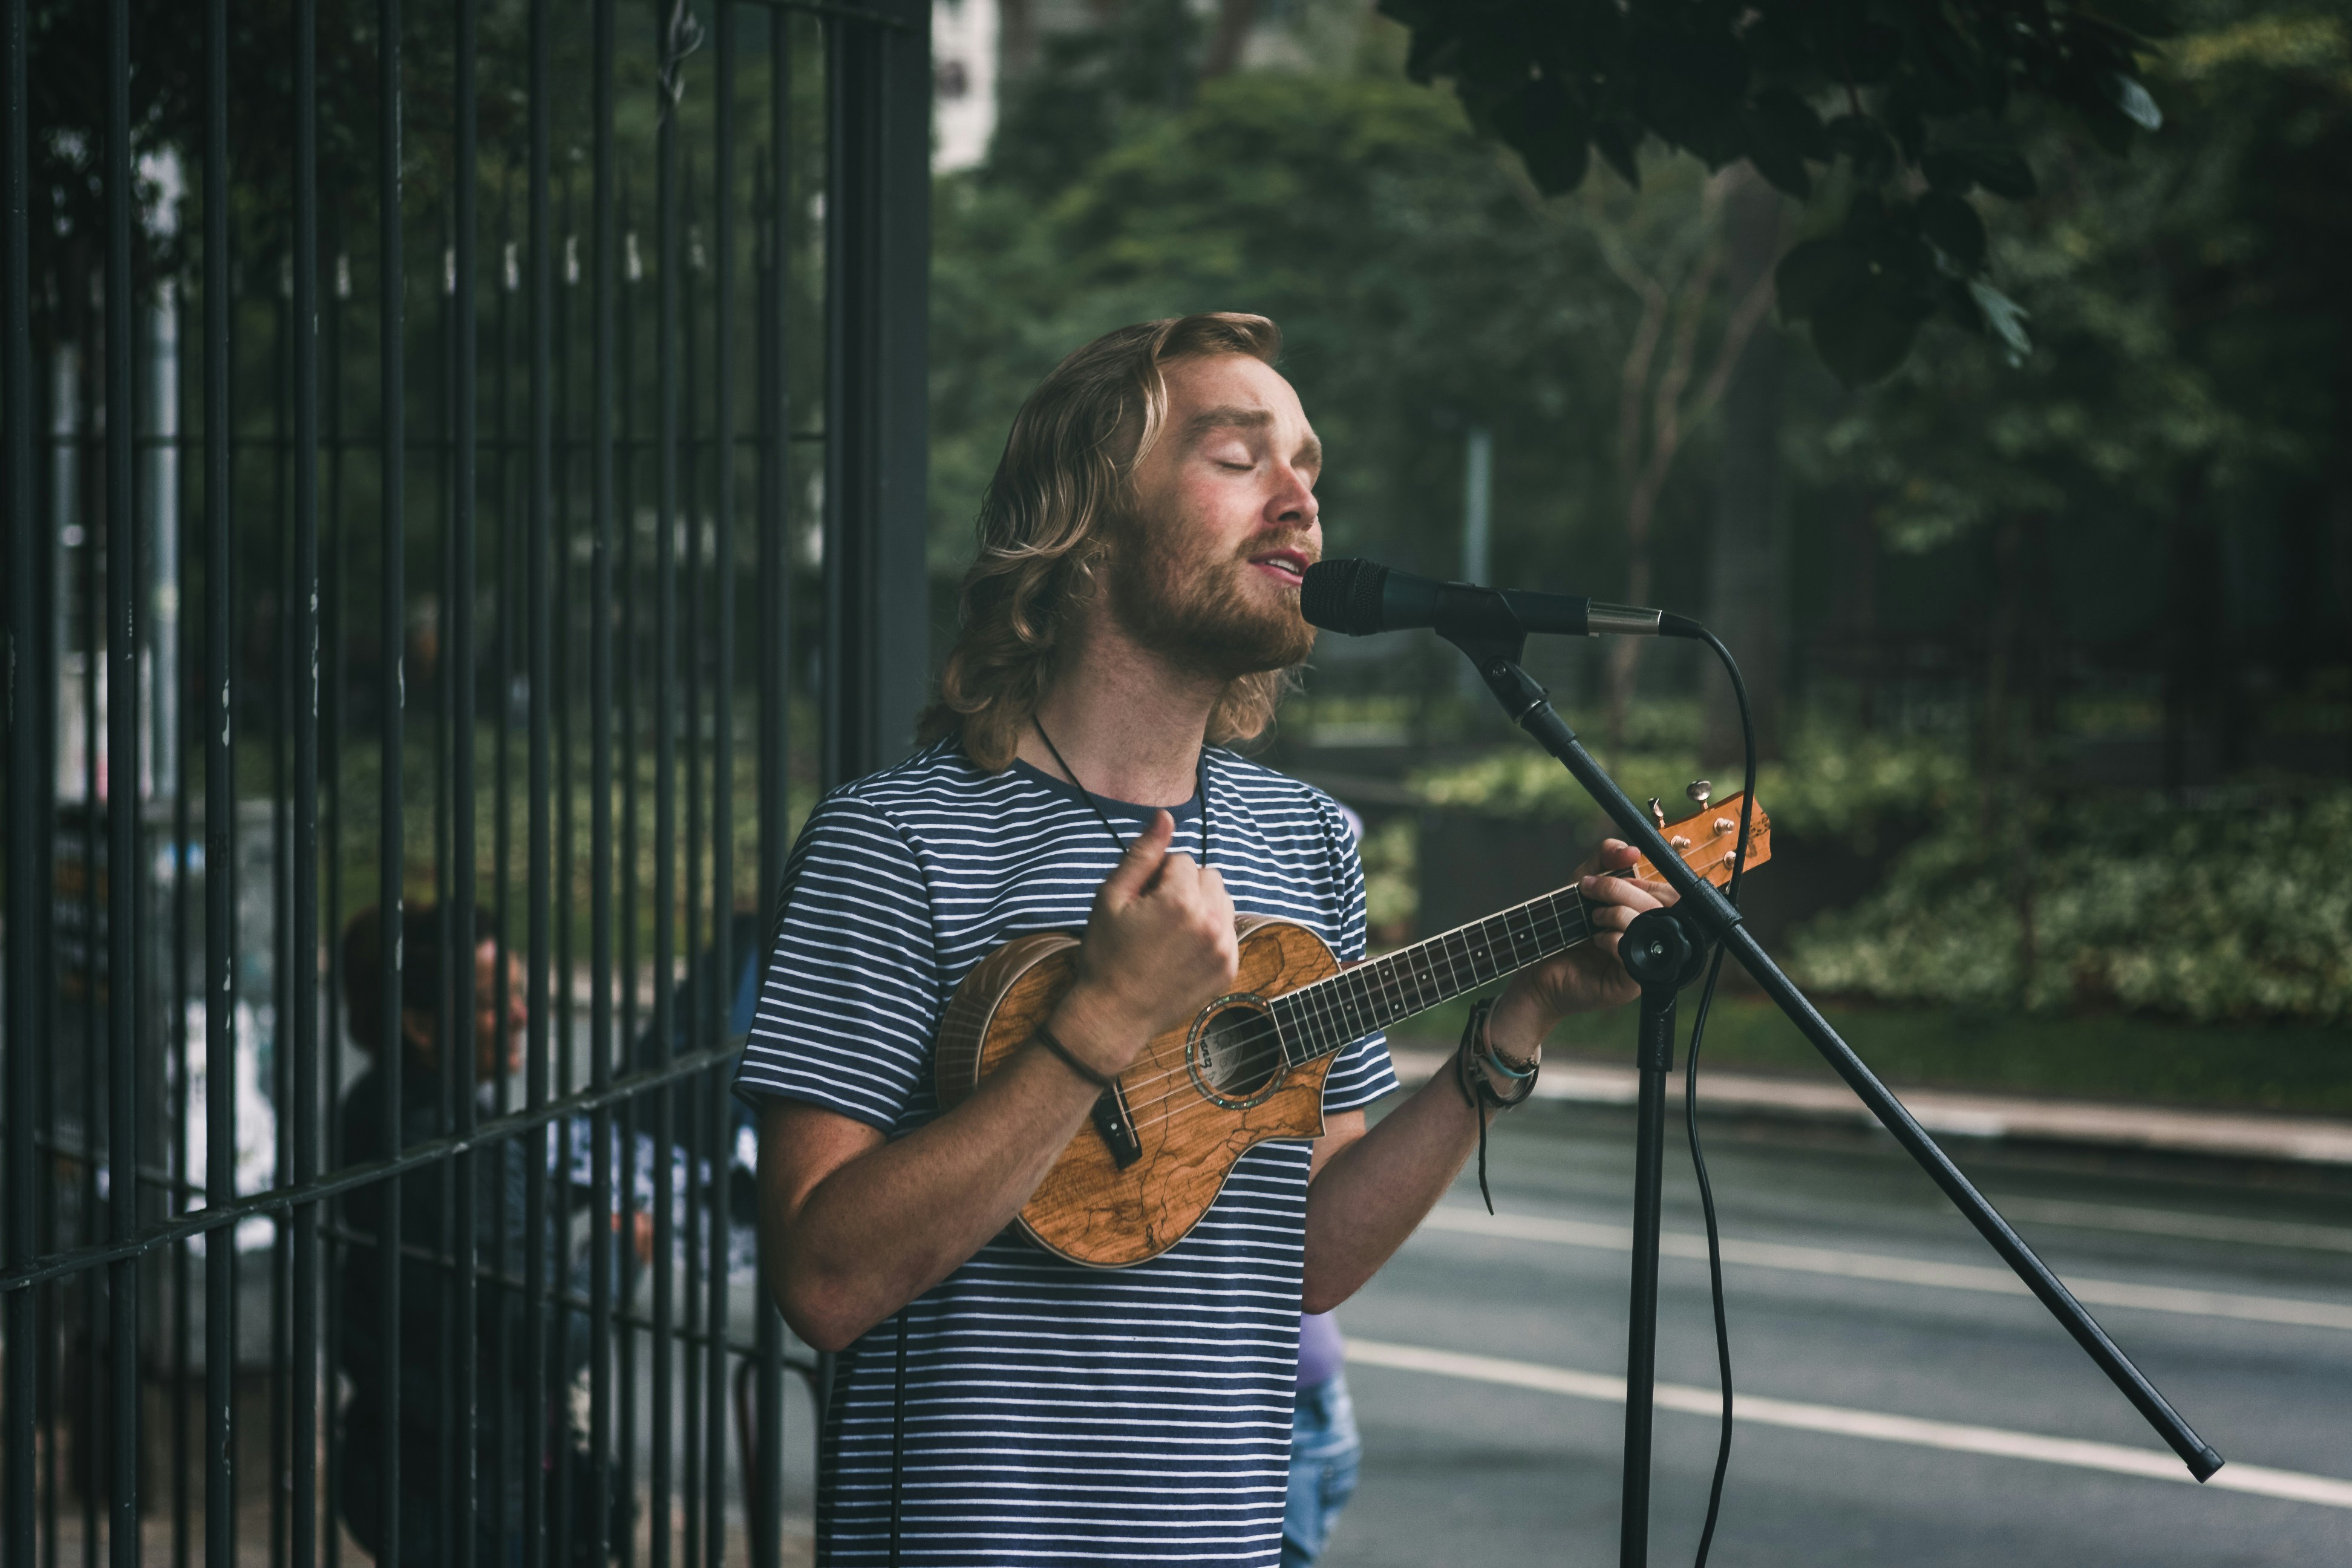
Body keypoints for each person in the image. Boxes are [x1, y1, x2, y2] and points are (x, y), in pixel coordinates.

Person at [740, 312, 1671, 1564]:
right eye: (1239, 461)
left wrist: (1520, 1022)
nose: (1299, 501)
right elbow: (824, 1283)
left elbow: (1312, 1259)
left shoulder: (1308, 843)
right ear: (1085, 524)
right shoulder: (892, 842)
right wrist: (1098, 1026)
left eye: (1309, 469)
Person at [335, 904, 641, 1566]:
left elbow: (466, 1234)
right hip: (473, 1494)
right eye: (488, 1003)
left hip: (400, 1457)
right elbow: (553, 1339)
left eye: (519, 993)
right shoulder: (456, 1149)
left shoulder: (376, 1106)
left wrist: (565, 1189)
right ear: (418, 1024)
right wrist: (620, 1250)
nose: (523, 1016)